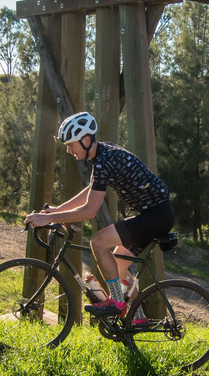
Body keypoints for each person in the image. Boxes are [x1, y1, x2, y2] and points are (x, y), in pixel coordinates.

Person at [24, 111, 175, 318]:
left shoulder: (105, 161)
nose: (69, 150)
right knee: (118, 265)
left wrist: (48, 218)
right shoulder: (104, 154)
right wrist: (57, 210)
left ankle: (117, 303)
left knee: (98, 241)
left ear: (86, 140)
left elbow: (89, 210)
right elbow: (90, 192)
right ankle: (138, 319)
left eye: (71, 144)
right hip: (157, 214)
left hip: (156, 215)